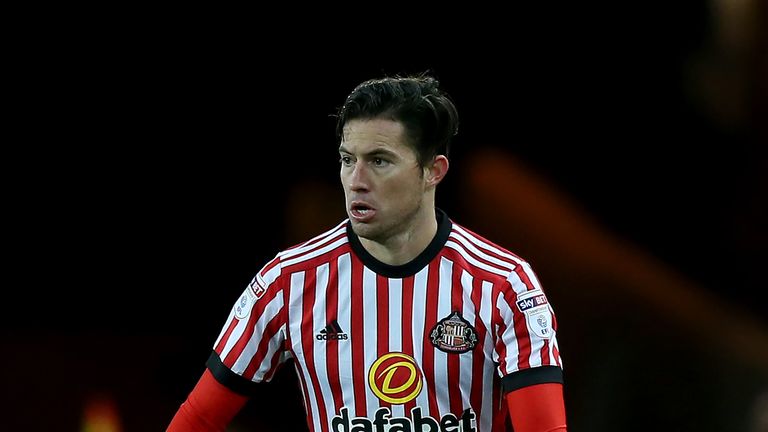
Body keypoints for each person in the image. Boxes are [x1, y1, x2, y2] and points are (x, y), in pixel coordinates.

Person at [167, 73, 567, 432]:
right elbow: (198, 419)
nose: (356, 180)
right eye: (347, 160)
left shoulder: (503, 284)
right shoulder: (287, 282)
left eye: (379, 161)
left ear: (434, 171)